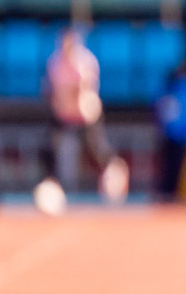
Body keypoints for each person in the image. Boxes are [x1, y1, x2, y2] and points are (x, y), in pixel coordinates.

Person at [35, 28, 130, 215]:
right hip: (63, 114)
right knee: (49, 148)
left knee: (98, 150)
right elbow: (51, 91)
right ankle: (51, 186)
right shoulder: (55, 62)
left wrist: (68, 92)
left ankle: (115, 179)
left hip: (86, 114)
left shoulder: (86, 61)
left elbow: (82, 88)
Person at [156, 59, 186, 201]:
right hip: (179, 134)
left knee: (177, 165)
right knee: (175, 165)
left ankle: (173, 191)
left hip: (176, 133)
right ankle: (171, 192)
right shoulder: (184, 88)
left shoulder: (176, 88)